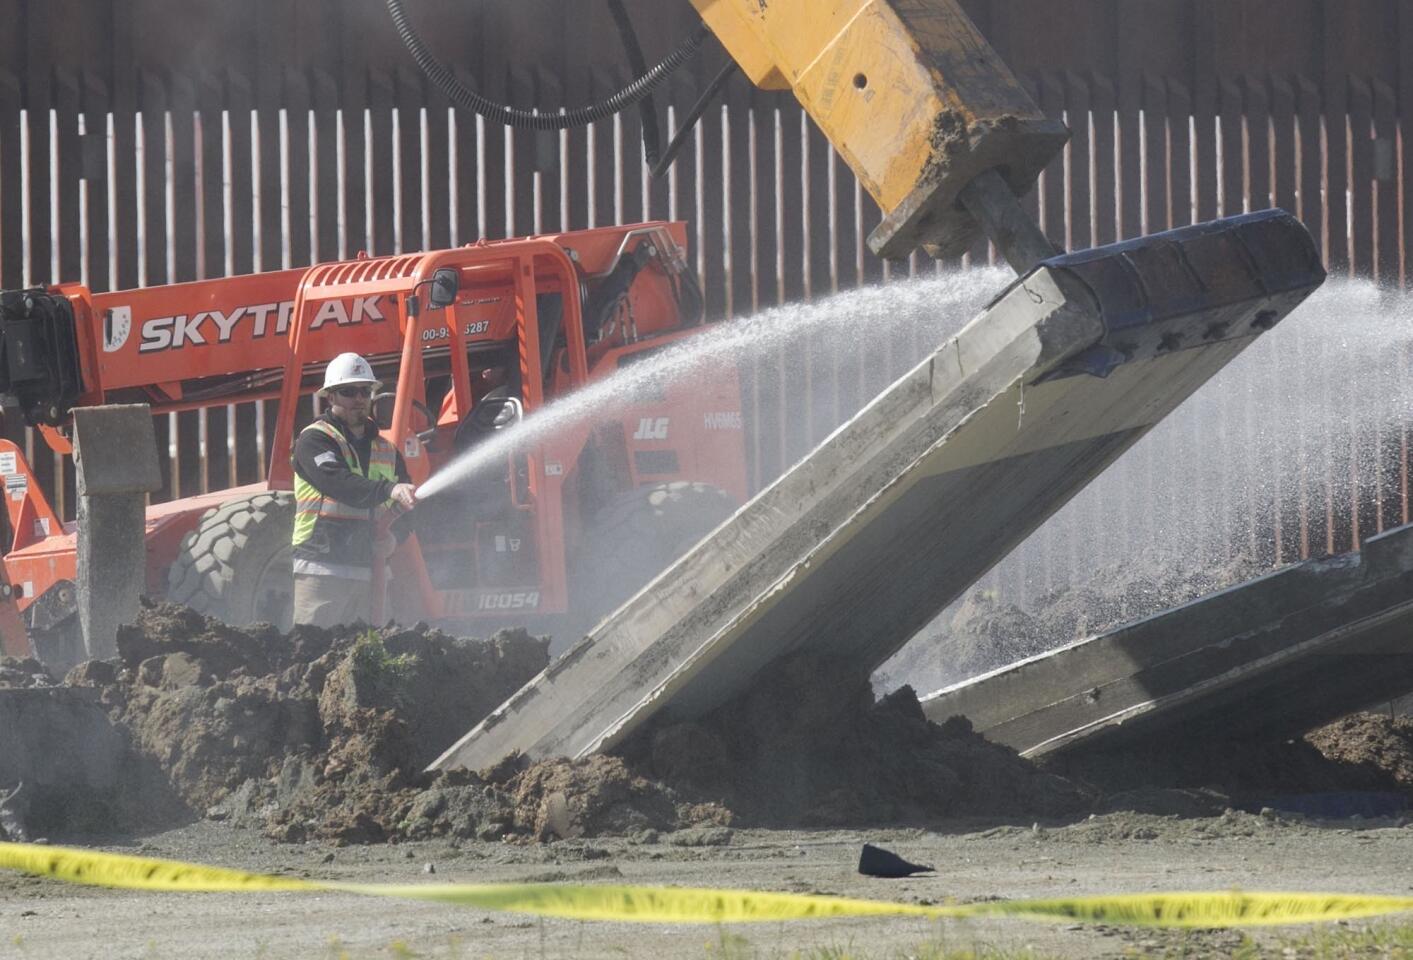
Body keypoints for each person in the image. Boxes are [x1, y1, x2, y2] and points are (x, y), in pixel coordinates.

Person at [291, 352, 417, 627]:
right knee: (316, 654)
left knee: (376, 657)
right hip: (323, 567)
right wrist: (389, 489)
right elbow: (339, 483)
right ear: (331, 397)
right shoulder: (314, 440)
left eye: (365, 390)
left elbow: (407, 508)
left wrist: (393, 539)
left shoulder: (386, 449)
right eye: (348, 391)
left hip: (372, 573)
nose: (359, 398)